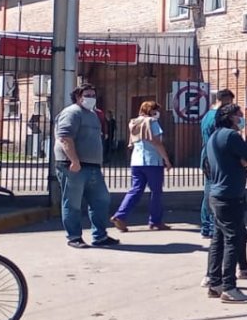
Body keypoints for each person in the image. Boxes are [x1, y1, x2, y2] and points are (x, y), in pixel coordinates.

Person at [204, 103, 247, 303]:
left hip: (217, 194)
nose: (241, 118)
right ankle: (229, 286)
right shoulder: (231, 136)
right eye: (239, 115)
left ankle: (215, 282)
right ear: (230, 117)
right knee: (233, 239)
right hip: (230, 195)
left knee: (218, 240)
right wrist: (243, 162)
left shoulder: (213, 137)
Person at [54, 83, 118, 249]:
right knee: (73, 203)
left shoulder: (93, 114)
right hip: (73, 165)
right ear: (78, 97)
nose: (91, 98)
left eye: (93, 95)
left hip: (93, 167)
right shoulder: (72, 112)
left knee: (101, 201)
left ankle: (100, 236)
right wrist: (74, 160)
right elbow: (65, 137)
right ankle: (74, 237)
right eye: (87, 95)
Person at [110, 100, 171, 232]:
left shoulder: (134, 122)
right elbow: (157, 143)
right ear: (151, 111)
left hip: (136, 161)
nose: (157, 113)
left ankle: (120, 215)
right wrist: (166, 159)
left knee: (136, 189)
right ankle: (155, 221)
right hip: (152, 161)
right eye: (155, 110)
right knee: (156, 192)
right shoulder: (152, 122)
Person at [202, 89, 236, 239]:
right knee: (212, 190)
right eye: (229, 102)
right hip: (215, 155)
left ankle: (206, 225)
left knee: (209, 189)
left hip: (207, 154)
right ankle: (210, 225)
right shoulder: (217, 116)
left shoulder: (206, 115)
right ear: (224, 100)